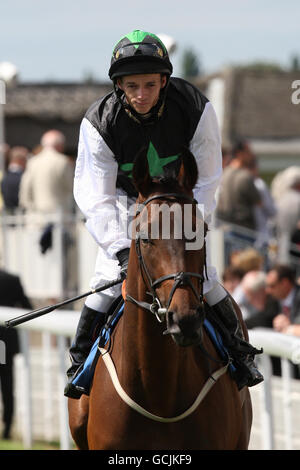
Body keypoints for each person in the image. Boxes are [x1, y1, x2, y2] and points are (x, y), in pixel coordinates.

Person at [65, 30, 263, 398]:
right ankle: (80, 367)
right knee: (104, 287)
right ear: (119, 85)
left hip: (183, 201)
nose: (141, 95)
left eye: (150, 85)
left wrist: (191, 226)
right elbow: (96, 196)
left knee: (204, 281)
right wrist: (122, 249)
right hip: (126, 207)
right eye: (132, 85)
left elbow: (207, 177)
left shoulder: (195, 107)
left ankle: (240, 357)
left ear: (165, 81)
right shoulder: (98, 121)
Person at [0, 269, 32, 439]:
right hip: (5, 342)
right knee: (7, 386)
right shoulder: (12, 279)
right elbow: (27, 307)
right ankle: (7, 428)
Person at [19, 130, 74, 215]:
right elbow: (71, 187)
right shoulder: (63, 161)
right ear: (59, 145)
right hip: (58, 215)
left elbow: (25, 188)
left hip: (36, 214)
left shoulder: (33, 162)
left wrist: (29, 207)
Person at [266, 264, 300, 336]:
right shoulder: (277, 300)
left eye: (272, 286)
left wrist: (289, 327)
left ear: (285, 283)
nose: (268, 291)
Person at [1, 146, 29, 213]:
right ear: (20, 160)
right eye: (26, 159)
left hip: (8, 215)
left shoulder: (5, 177)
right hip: (20, 215)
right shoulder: (22, 177)